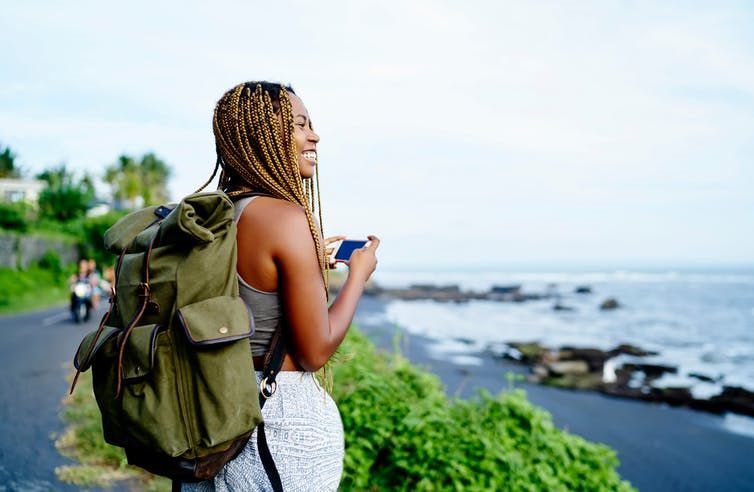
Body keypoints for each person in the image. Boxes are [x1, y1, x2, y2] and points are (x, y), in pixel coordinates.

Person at [182, 82, 379, 491]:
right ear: (263, 137)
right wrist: (357, 276)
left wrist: (307, 264)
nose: (314, 135)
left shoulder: (218, 215)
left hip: (211, 417)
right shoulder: (285, 219)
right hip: (279, 426)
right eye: (299, 125)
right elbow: (314, 351)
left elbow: (248, 287)